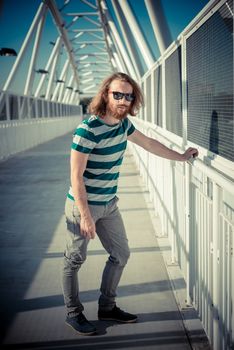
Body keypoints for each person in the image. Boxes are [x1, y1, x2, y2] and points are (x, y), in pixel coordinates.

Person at [62, 72, 198, 335]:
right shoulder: (87, 129)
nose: (123, 100)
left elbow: (148, 144)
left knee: (121, 254)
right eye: (118, 94)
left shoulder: (123, 125)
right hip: (83, 206)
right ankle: (73, 313)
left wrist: (181, 157)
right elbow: (75, 176)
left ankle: (107, 307)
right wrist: (86, 215)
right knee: (74, 259)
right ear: (105, 94)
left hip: (109, 204)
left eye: (129, 95)